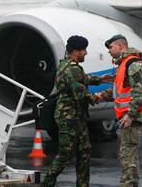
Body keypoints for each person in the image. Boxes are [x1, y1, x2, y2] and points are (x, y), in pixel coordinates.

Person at [41, 35, 107, 187]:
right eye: (84, 50)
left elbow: (81, 79)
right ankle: (47, 183)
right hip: (69, 117)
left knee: (84, 151)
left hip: (76, 116)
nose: (86, 53)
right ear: (76, 51)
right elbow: (81, 93)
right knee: (66, 153)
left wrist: (100, 79)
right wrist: (99, 96)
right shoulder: (72, 69)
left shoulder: (66, 65)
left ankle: (83, 184)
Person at [95, 35, 142, 187]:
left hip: (134, 116)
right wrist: (102, 95)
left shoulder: (133, 64)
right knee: (129, 154)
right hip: (129, 116)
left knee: (127, 155)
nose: (109, 51)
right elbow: (119, 90)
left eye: (111, 47)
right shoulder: (124, 65)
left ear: (120, 46)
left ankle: (128, 184)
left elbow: (139, 92)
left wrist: (130, 115)